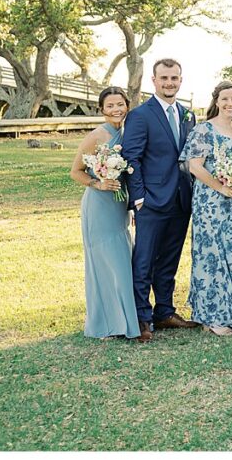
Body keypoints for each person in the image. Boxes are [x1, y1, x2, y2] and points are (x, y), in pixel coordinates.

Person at [122, 58, 198, 341]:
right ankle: (142, 317)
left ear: (181, 80)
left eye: (174, 78)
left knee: (169, 259)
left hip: (181, 199)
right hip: (152, 201)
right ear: (153, 81)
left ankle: (164, 311)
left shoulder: (188, 115)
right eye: (164, 78)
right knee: (144, 261)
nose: (169, 83)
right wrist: (139, 197)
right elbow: (131, 157)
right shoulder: (141, 115)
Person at [180, 81, 232, 335]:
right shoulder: (204, 130)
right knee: (212, 254)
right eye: (225, 99)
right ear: (216, 101)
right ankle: (212, 316)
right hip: (211, 202)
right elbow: (194, 166)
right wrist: (221, 187)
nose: (230, 104)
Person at [69, 86, 142, 341]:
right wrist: (97, 183)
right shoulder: (97, 135)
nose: (116, 109)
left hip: (119, 205)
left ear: (127, 105)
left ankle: (124, 320)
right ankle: (106, 324)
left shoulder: (128, 132)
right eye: (110, 106)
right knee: (104, 263)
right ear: (102, 109)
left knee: (122, 262)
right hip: (99, 206)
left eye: (120, 104)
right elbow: (75, 171)